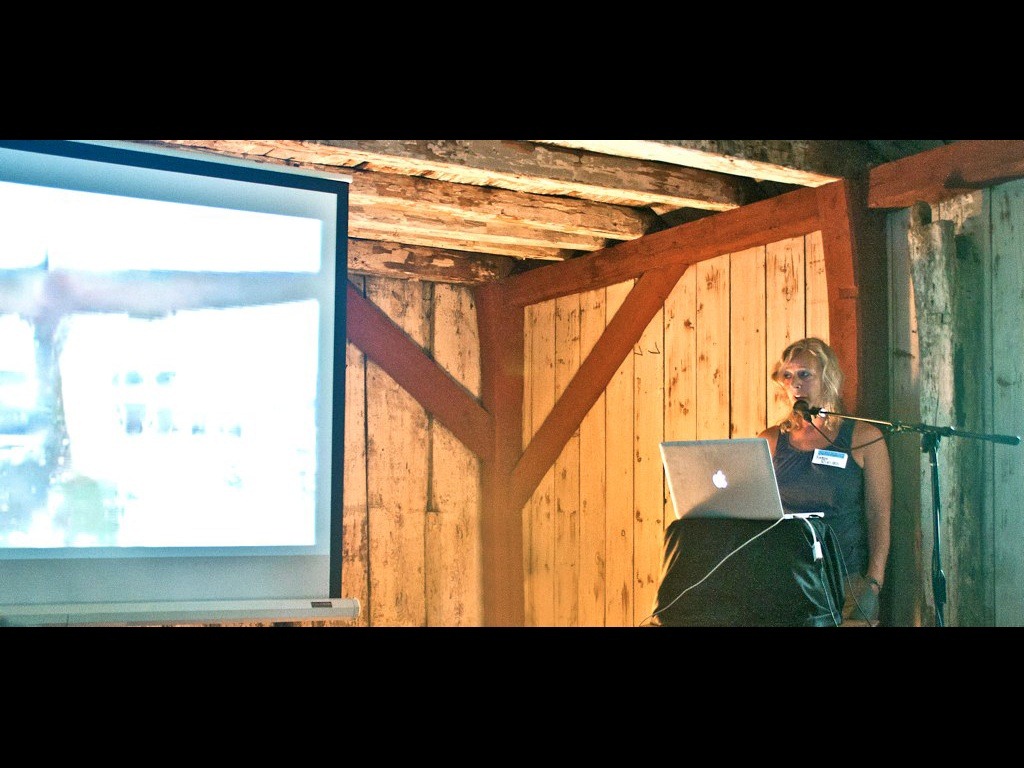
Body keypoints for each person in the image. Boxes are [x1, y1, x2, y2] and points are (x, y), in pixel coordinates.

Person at [758, 337, 892, 626]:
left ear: (827, 379)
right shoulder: (769, 441)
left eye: (805, 374)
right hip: (785, 580)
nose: (795, 383)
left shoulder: (865, 438)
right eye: (787, 375)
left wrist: (874, 582)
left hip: (845, 583)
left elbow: (879, 515)